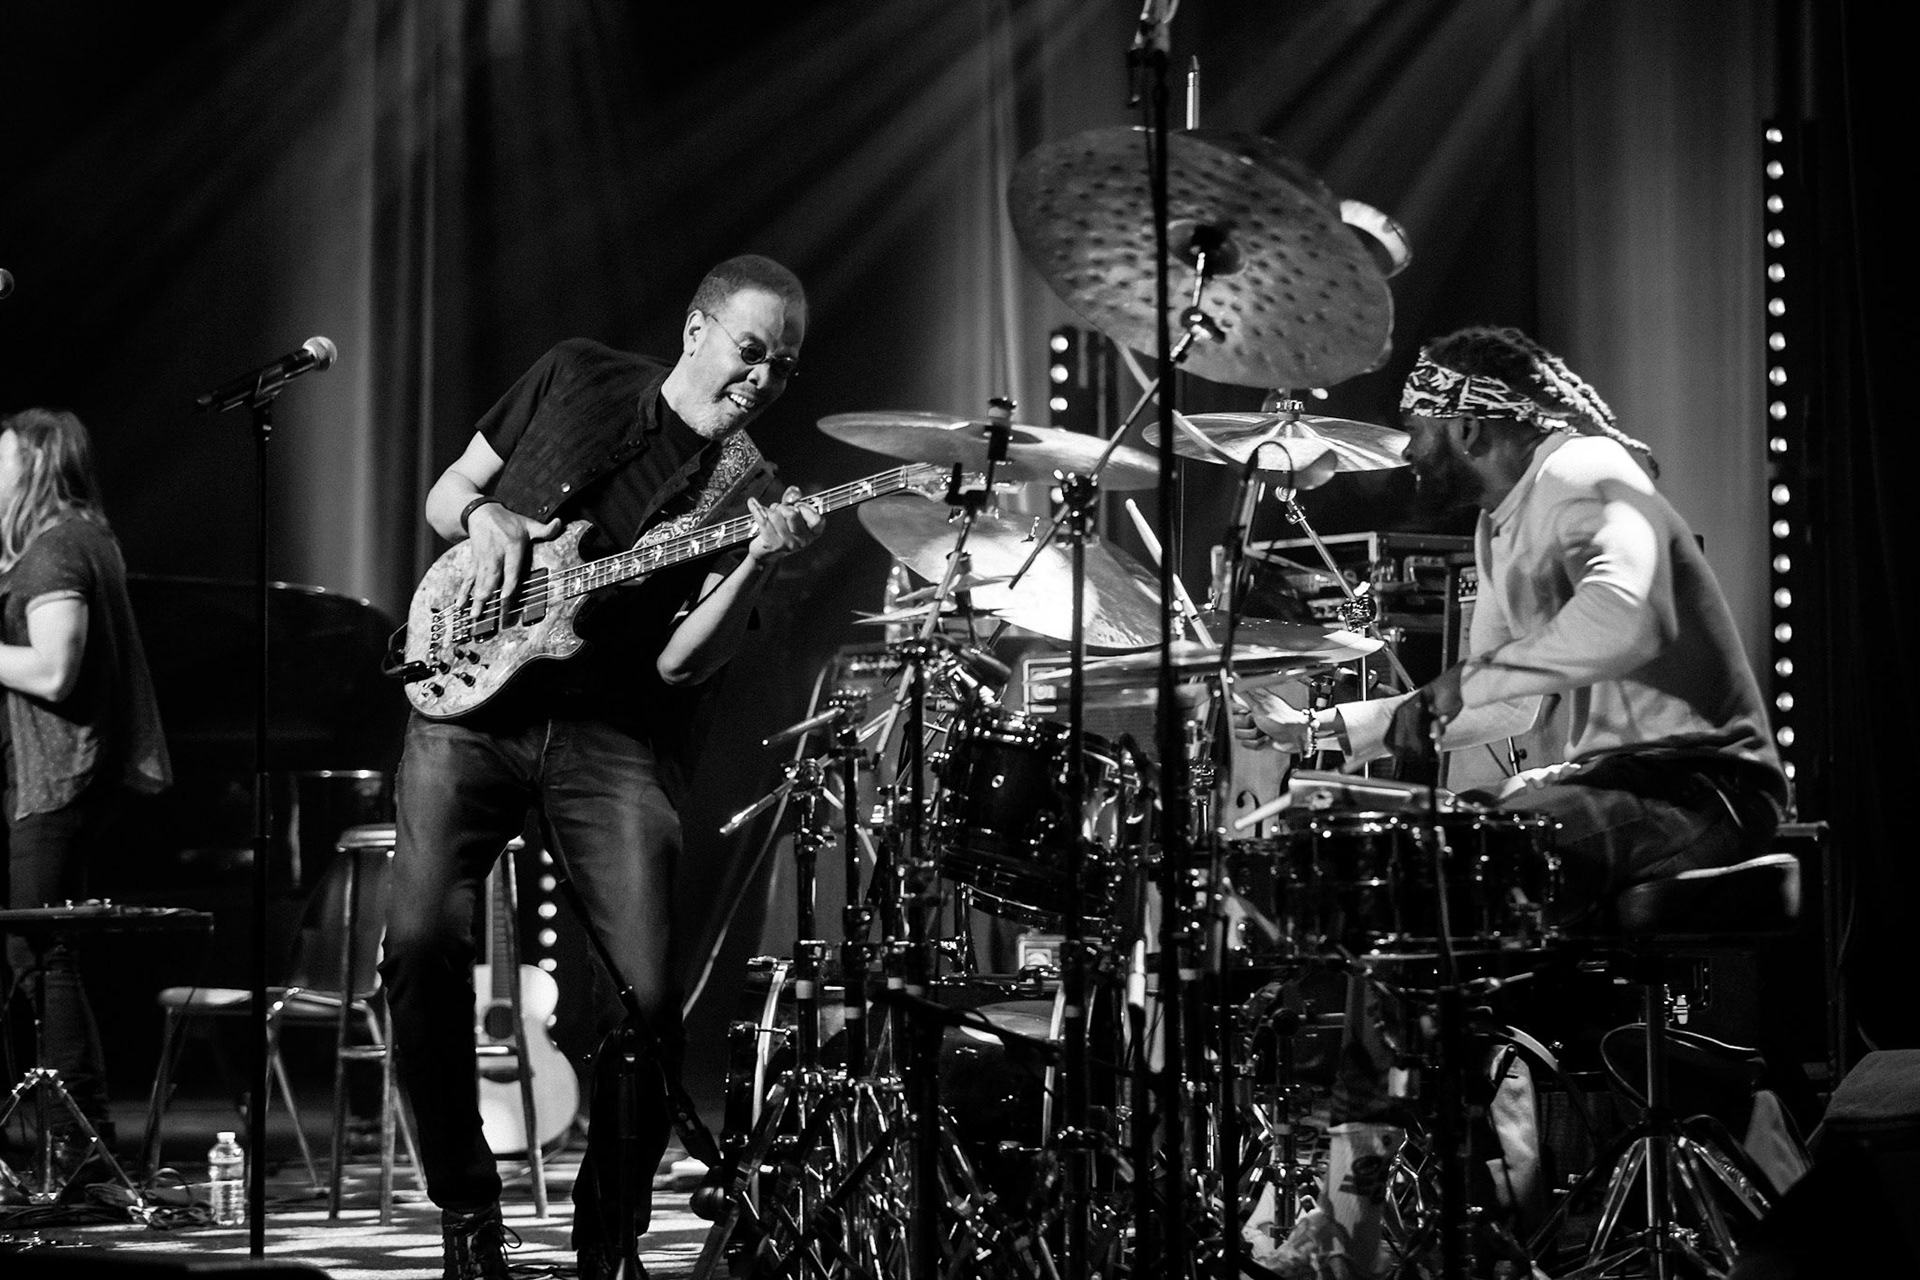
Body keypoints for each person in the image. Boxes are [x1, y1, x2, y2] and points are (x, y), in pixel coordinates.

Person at [1233, 326, 1787, 1278]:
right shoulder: (1502, 521)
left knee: (1432, 879)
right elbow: (1507, 701)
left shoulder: (1584, 469)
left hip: (1705, 785)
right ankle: (1409, 1213)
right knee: (1408, 885)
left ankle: (1366, 1230)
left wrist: (1468, 681)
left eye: (1417, 428)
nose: (1407, 450)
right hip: (1621, 787)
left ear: (1470, 424)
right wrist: (1324, 730)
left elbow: (1629, 616)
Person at [383, 254, 822, 1280]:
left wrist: (756, 565)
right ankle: (468, 1216)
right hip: (473, 705)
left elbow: (681, 663)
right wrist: (486, 518)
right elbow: (451, 493)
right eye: (751, 352)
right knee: (419, 946)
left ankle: (609, 1242)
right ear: (696, 328)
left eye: (783, 368)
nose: (761, 379)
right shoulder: (574, 373)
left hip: (612, 733)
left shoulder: (748, 486)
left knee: (645, 999)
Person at [0, 408, 171, 1165]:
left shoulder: (56, 548)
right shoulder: (79, 538)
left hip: (58, 774)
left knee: (44, 953)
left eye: (2, 460)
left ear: (37, 466)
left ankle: (80, 1145)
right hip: (62, 774)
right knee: (40, 951)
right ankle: (71, 1141)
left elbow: (52, 671)